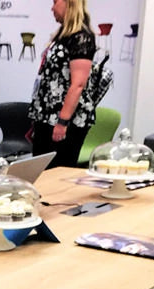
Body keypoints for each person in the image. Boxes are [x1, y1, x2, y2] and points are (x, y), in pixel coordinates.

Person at [28, 0, 97, 168]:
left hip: (64, 121)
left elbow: (78, 84)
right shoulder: (62, 35)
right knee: (41, 170)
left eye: (55, 2)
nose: (52, 8)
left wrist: (62, 122)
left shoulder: (81, 37)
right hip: (46, 116)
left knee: (57, 171)